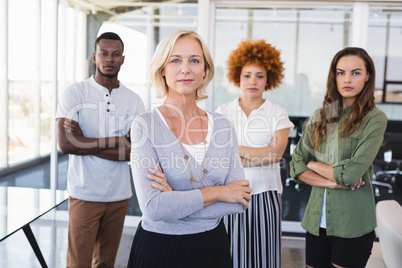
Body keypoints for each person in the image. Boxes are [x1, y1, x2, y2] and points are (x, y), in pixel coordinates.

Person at [127, 29, 252, 268]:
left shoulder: (223, 125)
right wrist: (219, 192)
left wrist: (174, 198)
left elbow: (239, 200)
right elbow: (153, 208)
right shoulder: (145, 125)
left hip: (211, 247)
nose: (185, 68)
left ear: (204, 70)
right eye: (175, 60)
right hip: (159, 248)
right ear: (162, 69)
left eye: (194, 60)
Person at [289, 47, 387, 268]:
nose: (347, 79)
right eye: (341, 72)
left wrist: (312, 164)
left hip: (352, 224)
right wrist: (330, 182)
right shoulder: (322, 115)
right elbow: (295, 167)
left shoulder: (374, 119)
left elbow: (351, 174)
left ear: (368, 76)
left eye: (356, 72)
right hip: (316, 223)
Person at [56, 32, 145, 268]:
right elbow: (65, 144)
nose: (109, 59)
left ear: (123, 59)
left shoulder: (134, 100)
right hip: (84, 194)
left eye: (115, 54)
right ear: (94, 57)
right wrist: (116, 139)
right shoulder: (74, 93)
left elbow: (134, 152)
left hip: (119, 196)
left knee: (106, 263)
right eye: (104, 54)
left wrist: (83, 141)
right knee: (78, 263)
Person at [216, 39, 294, 268]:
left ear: (268, 79)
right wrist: (259, 154)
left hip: (266, 195)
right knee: (231, 255)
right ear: (237, 77)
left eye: (259, 76)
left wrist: (235, 150)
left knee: (264, 258)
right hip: (231, 192)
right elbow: (219, 157)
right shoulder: (223, 112)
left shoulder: (277, 113)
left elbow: (275, 155)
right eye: (247, 75)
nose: (253, 81)